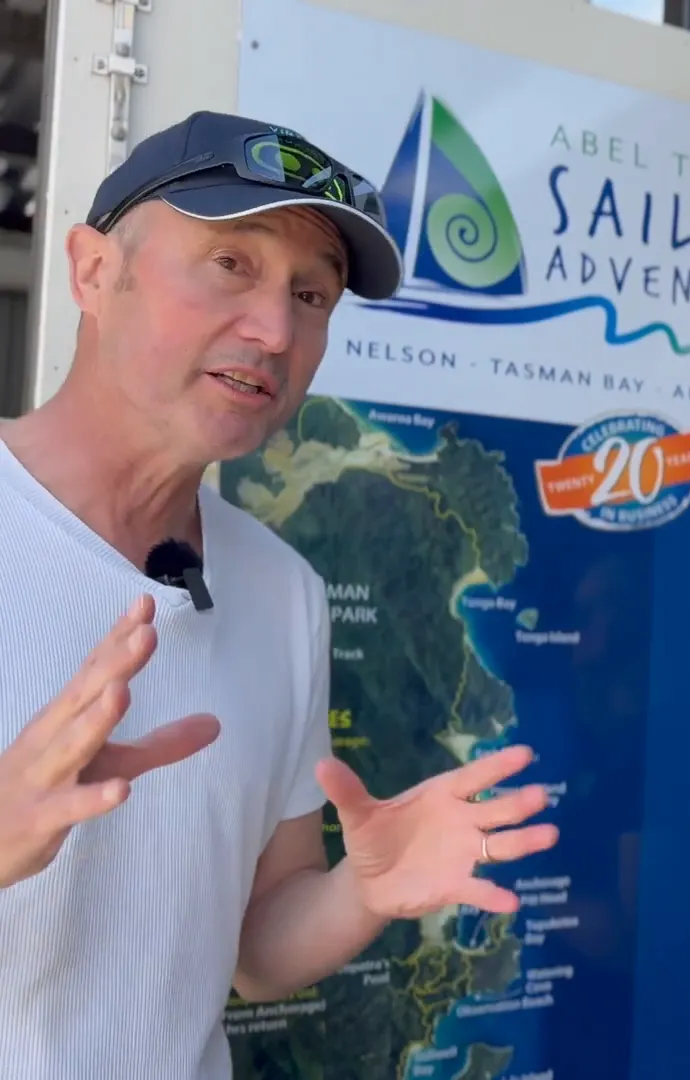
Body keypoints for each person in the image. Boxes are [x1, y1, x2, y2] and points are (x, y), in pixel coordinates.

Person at [0, 111, 558, 1077]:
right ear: (93, 271)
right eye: (230, 264)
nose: (276, 329)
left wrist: (364, 890)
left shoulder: (284, 591)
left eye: (312, 294)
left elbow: (257, 950)